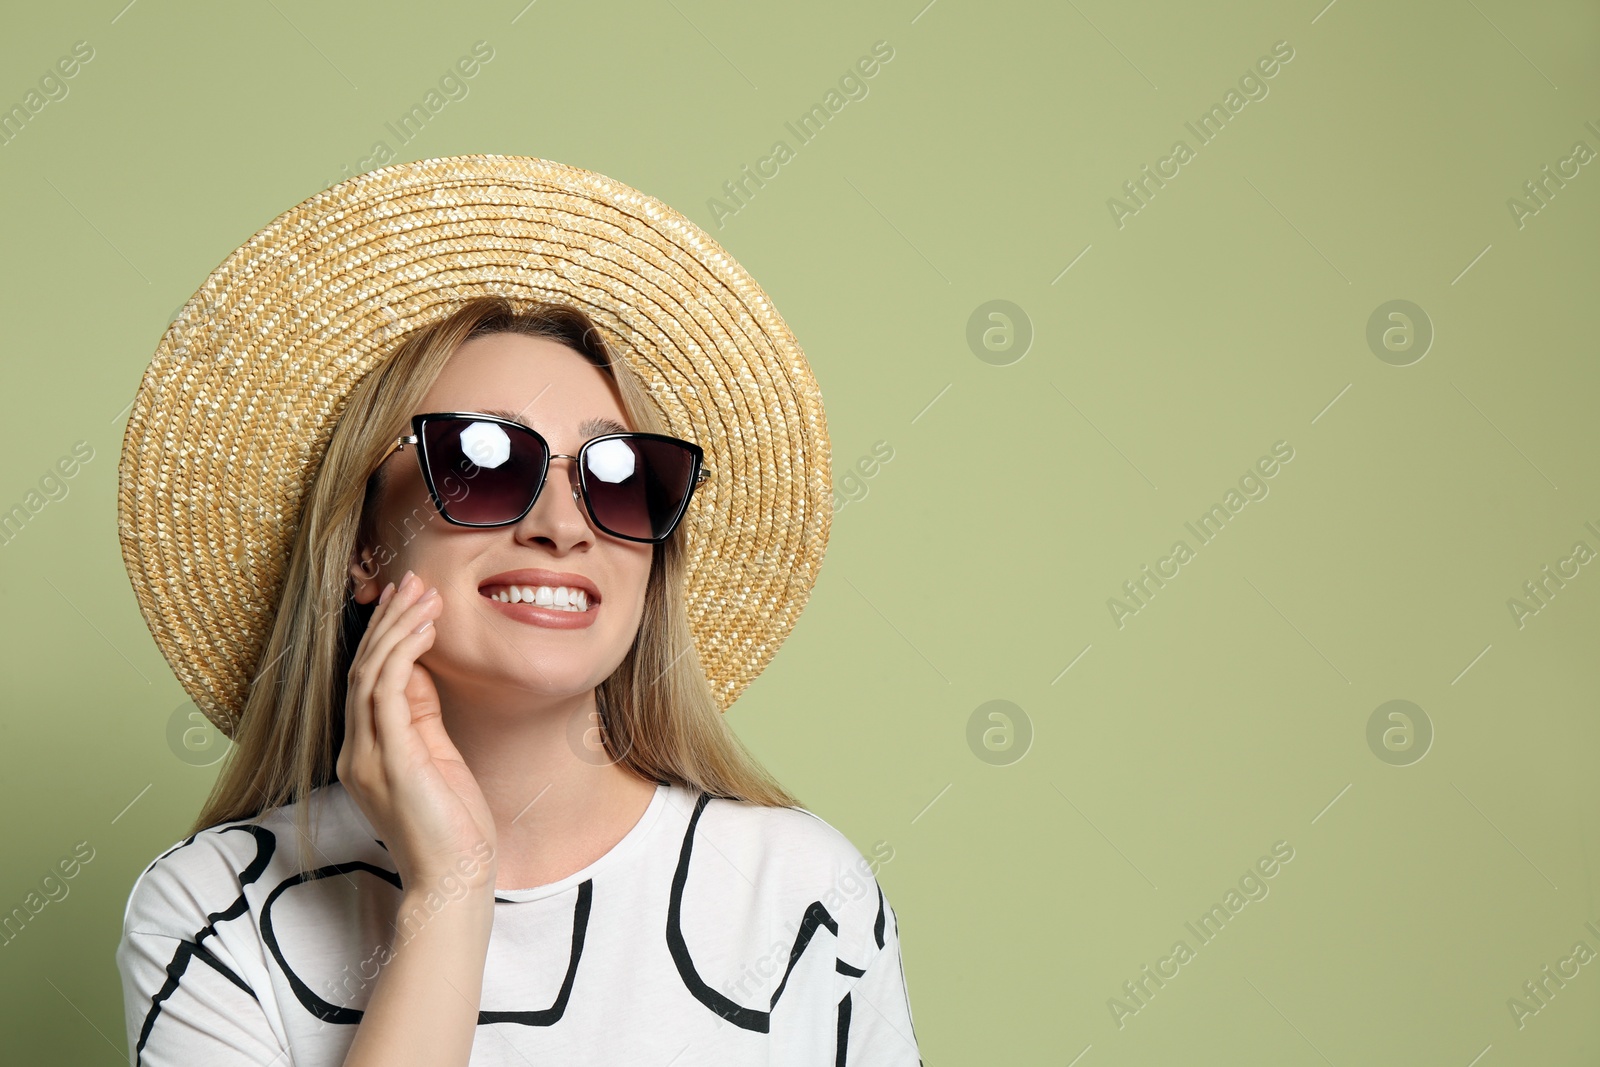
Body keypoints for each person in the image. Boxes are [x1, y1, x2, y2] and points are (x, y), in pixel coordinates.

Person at [114, 156, 921, 1066]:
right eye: (483, 460)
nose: (562, 525)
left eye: (619, 477)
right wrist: (449, 890)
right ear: (364, 552)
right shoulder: (214, 910)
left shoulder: (801, 896)